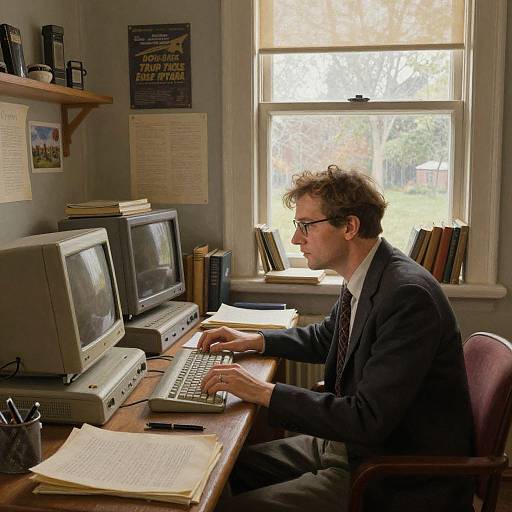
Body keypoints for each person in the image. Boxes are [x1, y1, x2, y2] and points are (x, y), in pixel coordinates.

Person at [199, 165, 474, 512]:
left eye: (305, 226)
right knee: (223, 469)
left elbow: (366, 419)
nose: (297, 239)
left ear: (350, 226)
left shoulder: (407, 297)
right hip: (347, 445)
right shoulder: (368, 273)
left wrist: (260, 391)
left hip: (387, 470)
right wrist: (255, 341)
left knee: (224, 507)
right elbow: (327, 336)